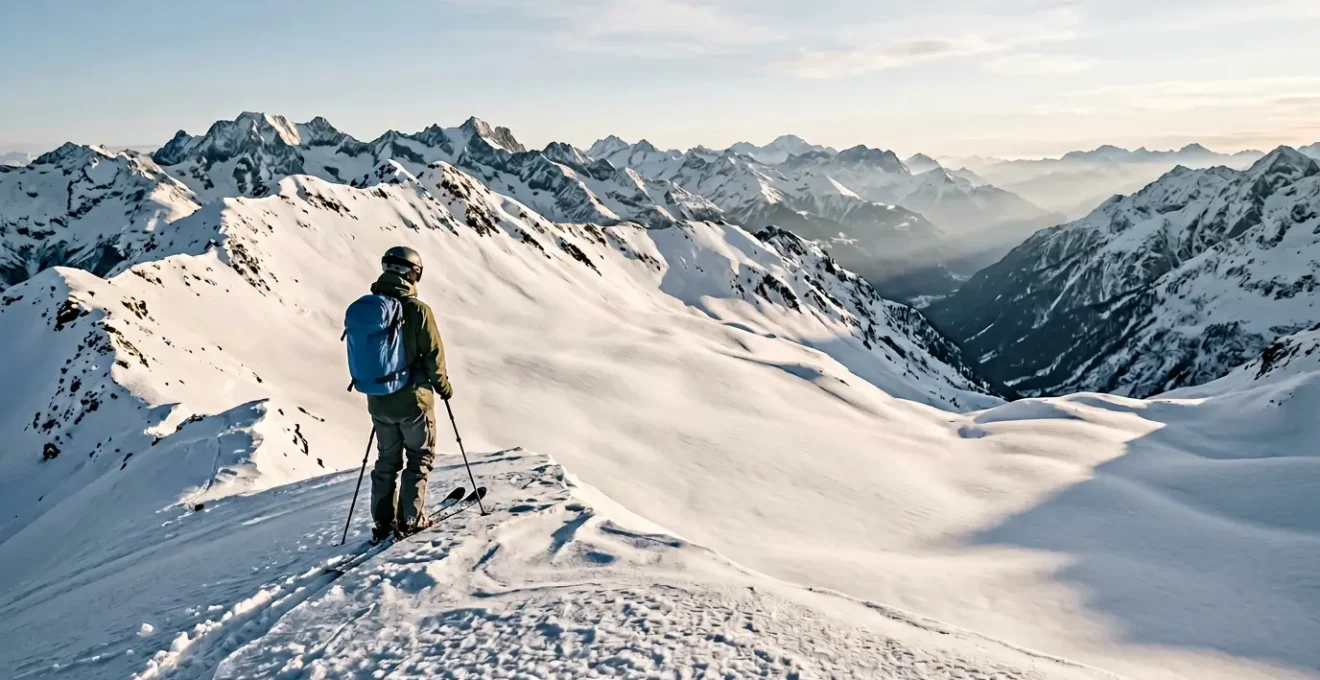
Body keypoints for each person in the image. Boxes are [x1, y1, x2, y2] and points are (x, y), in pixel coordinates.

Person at [366, 246, 453, 542]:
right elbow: (433, 356)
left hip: (378, 401)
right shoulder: (417, 311)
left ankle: (382, 522)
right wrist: (444, 388)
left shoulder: (371, 308)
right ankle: (410, 519)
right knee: (418, 458)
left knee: (386, 462)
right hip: (414, 401)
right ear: (414, 273)